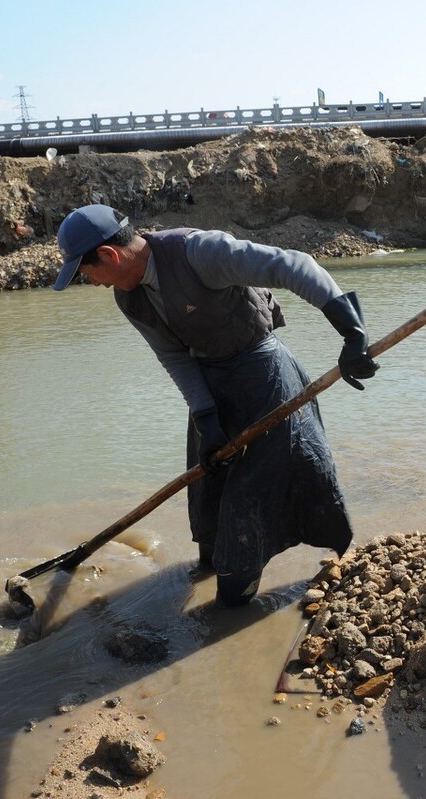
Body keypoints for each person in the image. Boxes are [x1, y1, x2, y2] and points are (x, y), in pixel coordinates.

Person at [52, 204, 378, 607]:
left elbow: (295, 265)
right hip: (210, 386)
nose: (94, 283)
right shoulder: (129, 298)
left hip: (264, 376)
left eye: (88, 273)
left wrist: (351, 331)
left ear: (109, 255)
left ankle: (234, 604)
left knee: (252, 496)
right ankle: (211, 568)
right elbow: (174, 357)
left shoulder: (199, 253)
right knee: (210, 490)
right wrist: (206, 419)